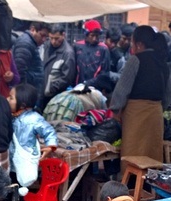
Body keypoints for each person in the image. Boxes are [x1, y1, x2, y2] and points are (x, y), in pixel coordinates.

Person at [110, 25, 171, 170]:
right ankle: (150, 188)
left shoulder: (135, 60)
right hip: (156, 114)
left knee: (132, 155)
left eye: (132, 43)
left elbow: (122, 88)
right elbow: (167, 95)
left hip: (135, 115)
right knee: (152, 155)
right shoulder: (164, 64)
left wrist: (116, 109)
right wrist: (158, 108)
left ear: (139, 44)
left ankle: (130, 187)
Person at [7, 83, 58, 201]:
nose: (7, 99)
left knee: (19, 192)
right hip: (11, 161)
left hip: (25, 162)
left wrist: (50, 147)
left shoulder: (33, 119)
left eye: (11, 97)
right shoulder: (11, 117)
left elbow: (49, 131)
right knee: (13, 190)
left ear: (22, 104)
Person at [43, 74, 113, 123]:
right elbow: (105, 114)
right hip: (73, 106)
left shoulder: (81, 86)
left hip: (57, 99)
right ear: (104, 90)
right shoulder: (100, 96)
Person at [12, 22, 51, 107]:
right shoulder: (25, 43)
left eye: (46, 37)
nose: (44, 40)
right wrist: (23, 96)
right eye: (42, 35)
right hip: (27, 95)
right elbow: (20, 71)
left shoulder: (30, 43)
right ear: (33, 30)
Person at [41, 24, 76, 109]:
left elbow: (67, 78)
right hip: (41, 92)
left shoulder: (68, 53)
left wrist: (51, 88)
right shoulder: (46, 45)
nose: (53, 41)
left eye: (56, 38)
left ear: (63, 35)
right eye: (51, 38)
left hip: (55, 96)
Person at [74, 19, 110, 85]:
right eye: (92, 35)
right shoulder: (77, 46)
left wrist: (89, 83)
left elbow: (104, 72)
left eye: (97, 36)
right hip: (77, 86)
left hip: (95, 88)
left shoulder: (103, 49)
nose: (94, 38)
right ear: (86, 34)